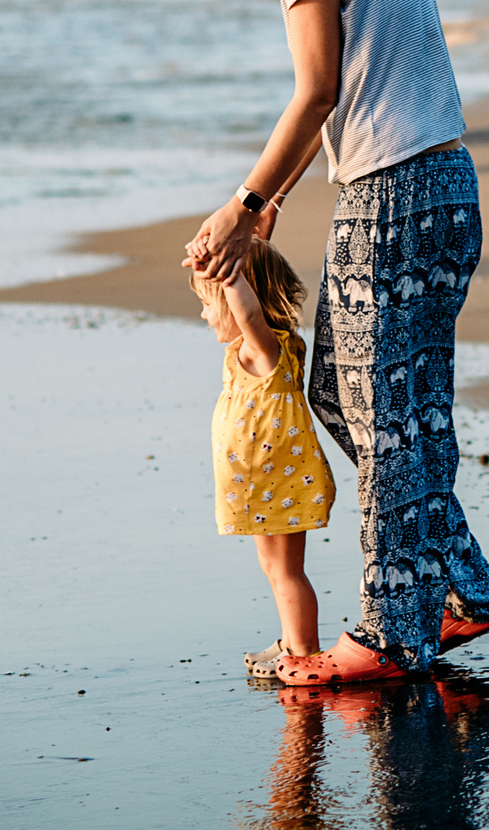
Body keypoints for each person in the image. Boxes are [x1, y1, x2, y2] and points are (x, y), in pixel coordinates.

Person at [180, 0, 489, 686]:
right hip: (441, 182)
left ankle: (386, 631)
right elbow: (358, 84)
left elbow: (318, 89)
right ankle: (466, 589)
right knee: (352, 397)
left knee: (385, 416)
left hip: (395, 196)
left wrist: (246, 208)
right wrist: (279, 201)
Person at [190, 238, 331, 678]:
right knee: (273, 566)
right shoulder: (247, 352)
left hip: (281, 482)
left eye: (208, 303)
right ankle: (291, 640)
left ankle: (305, 654)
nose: (203, 314)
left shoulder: (264, 348)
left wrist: (229, 273)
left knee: (288, 571)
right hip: (262, 482)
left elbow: (248, 315)